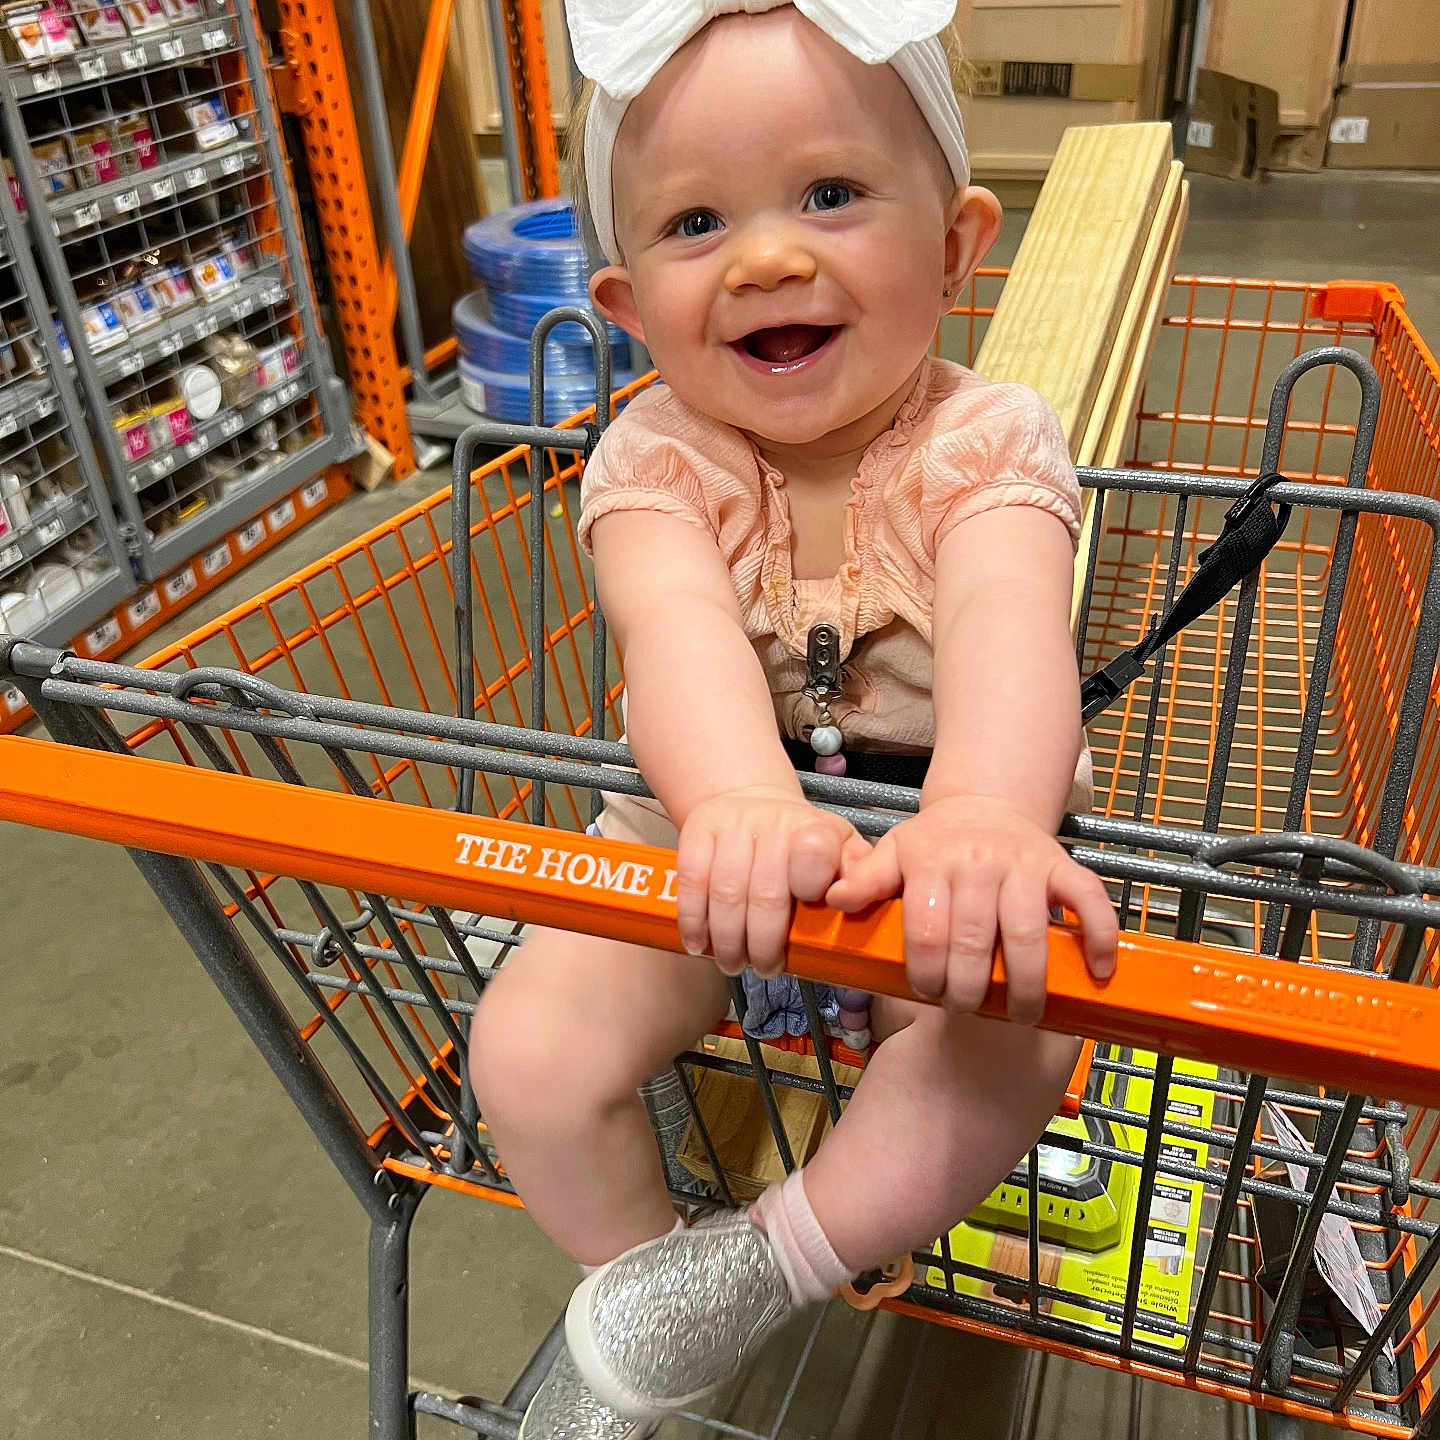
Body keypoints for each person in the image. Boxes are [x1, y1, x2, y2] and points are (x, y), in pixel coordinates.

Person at [469, 2, 1120, 1434]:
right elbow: (676, 634)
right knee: (526, 1050)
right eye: (696, 222)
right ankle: (651, 1302)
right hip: (700, 831)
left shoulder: (985, 441)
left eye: (830, 193)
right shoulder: (653, 458)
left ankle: (769, 1262)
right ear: (628, 305)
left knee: (1005, 1043)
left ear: (955, 245)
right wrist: (738, 805)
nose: (766, 257)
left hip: (940, 841)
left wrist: (987, 816)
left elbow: (1012, 621)